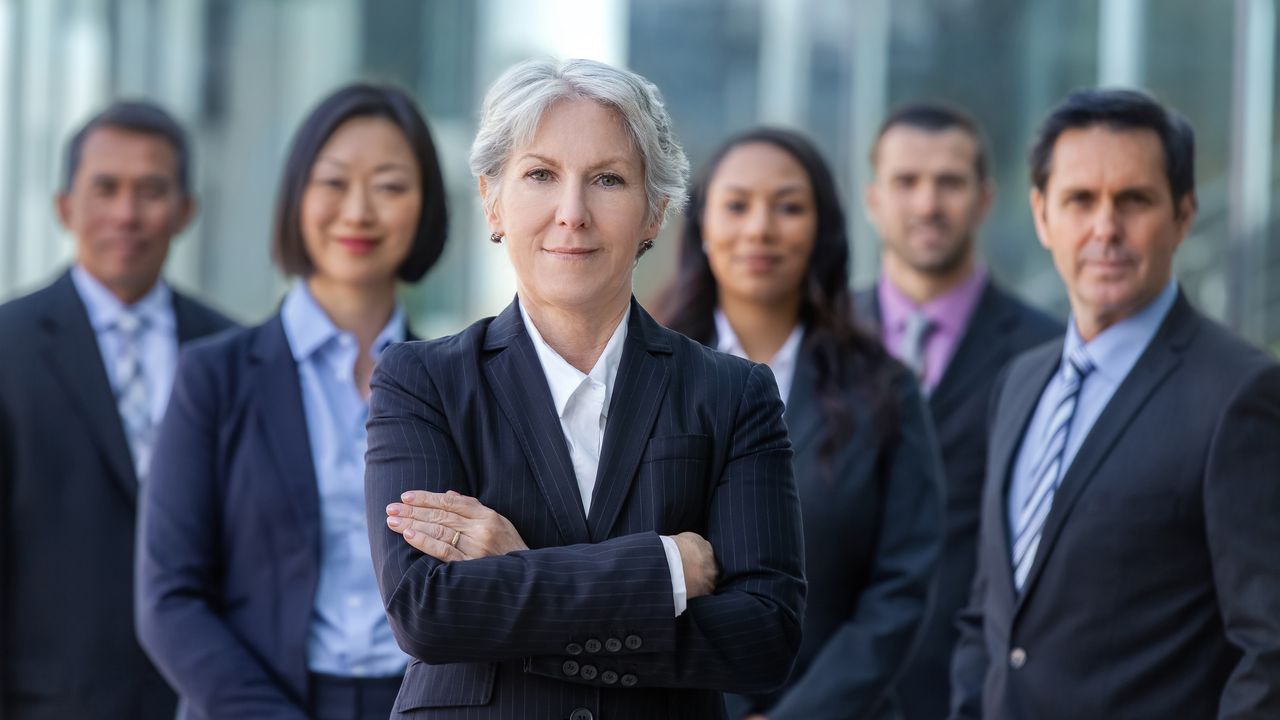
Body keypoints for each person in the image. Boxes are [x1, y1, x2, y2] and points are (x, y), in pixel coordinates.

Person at [365, 58, 806, 720]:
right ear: (492, 201)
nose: (571, 213)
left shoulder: (733, 394)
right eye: (540, 175)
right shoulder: (421, 382)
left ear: (655, 213)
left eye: (607, 179)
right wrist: (660, 571)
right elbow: (429, 613)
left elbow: (765, 638)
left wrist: (517, 573)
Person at [950, 89, 1280, 719]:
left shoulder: (1241, 395)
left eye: (1135, 200)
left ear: (1184, 215)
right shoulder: (1019, 382)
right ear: (1042, 216)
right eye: (1080, 200)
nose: (1105, 228)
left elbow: (1269, 650)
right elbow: (988, 615)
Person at [135, 83, 448, 720]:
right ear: (296, 197)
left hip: (422, 706)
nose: (358, 212)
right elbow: (169, 597)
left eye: (389, 186)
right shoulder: (214, 378)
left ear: (426, 207)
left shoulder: (458, 383)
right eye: (333, 183)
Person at [658, 127, 943, 719]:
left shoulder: (885, 390)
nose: (760, 228)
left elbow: (903, 586)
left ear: (822, 230)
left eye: (788, 206)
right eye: (737, 205)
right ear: (702, 225)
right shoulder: (643, 376)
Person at [0, 101, 234, 720]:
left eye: (151, 190)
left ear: (186, 211)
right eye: (106, 188)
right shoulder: (6, 347)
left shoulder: (236, 353)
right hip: (47, 702)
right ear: (64, 206)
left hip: (206, 700)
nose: (127, 214)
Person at [856, 103, 1061, 720]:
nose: (927, 204)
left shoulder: (1049, 354)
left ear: (985, 199)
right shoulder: (815, 344)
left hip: (980, 691)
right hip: (825, 690)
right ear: (872, 198)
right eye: (906, 182)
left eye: (949, 182)